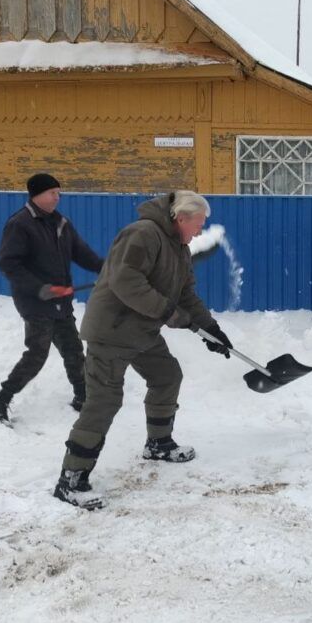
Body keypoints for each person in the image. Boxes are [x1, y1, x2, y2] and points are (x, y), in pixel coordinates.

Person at [53, 190, 232, 508]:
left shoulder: (179, 248)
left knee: (166, 375)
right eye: (198, 224)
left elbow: (186, 295)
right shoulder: (142, 234)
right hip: (113, 329)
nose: (200, 231)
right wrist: (169, 313)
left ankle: (159, 443)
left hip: (142, 331)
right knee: (104, 401)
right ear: (181, 217)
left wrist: (210, 329)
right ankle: (71, 480)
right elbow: (126, 282)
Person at [0, 173, 104, 424]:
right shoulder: (20, 224)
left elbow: (82, 253)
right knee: (37, 354)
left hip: (61, 299)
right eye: (53, 193)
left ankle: (83, 396)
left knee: (72, 348)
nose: (57, 197)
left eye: (58, 193)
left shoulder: (60, 223)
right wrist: (40, 288)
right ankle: (0, 402)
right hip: (35, 301)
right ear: (37, 194)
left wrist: (105, 268)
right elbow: (8, 264)